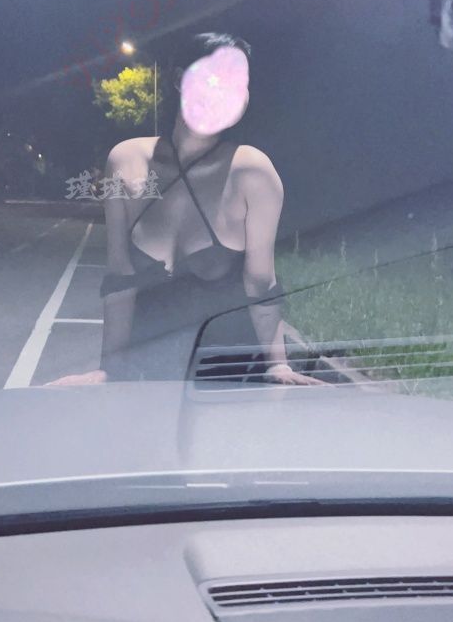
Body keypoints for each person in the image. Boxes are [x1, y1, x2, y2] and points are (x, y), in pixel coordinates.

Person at [48, 32, 324, 387]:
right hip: (147, 379)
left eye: (237, 84)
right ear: (180, 79)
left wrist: (278, 367)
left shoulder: (252, 172)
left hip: (231, 382)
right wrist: (108, 370)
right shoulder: (125, 161)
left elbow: (260, 282)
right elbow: (120, 275)